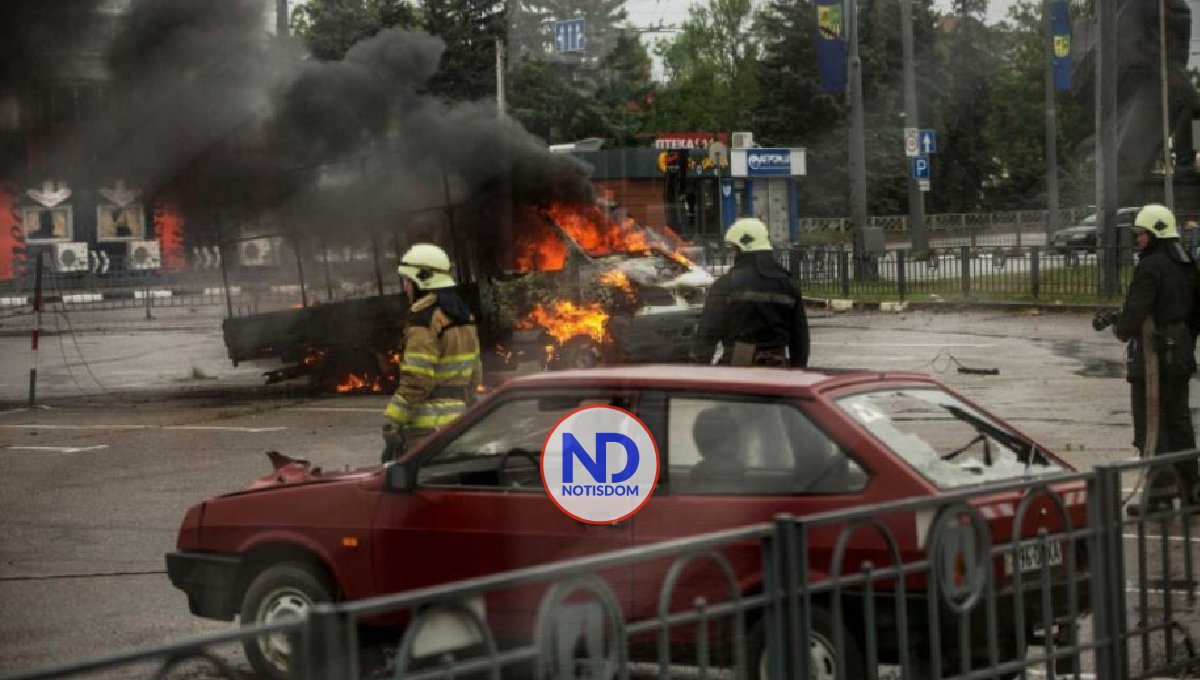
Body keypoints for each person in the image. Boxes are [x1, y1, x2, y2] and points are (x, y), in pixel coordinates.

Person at [1105, 203, 1200, 511]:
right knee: (1179, 423)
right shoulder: (1186, 263)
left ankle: (1160, 492)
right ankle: (1192, 490)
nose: (1138, 240)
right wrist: (1185, 341)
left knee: (1150, 424)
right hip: (1180, 354)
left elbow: (1135, 313)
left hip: (1154, 359)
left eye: (1141, 234)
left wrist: (1121, 328)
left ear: (1156, 233)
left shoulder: (1150, 266)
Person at [381, 243, 481, 463]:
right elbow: (475, 374)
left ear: (422, 279)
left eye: (407, 281)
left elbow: (417, 380)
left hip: (427, 433)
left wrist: (392, 420)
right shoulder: (464, 316)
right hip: (459, 424)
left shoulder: (424, 321)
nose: (405, 287)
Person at [691, 217, 809, 367]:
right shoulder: (788, 284)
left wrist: (698, 372)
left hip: (737, 370)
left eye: (734, 249)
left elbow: (707, 334)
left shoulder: (726, 284)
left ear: (741, 248)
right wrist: (798, 373)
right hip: (779, 371)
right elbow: (800, 338)